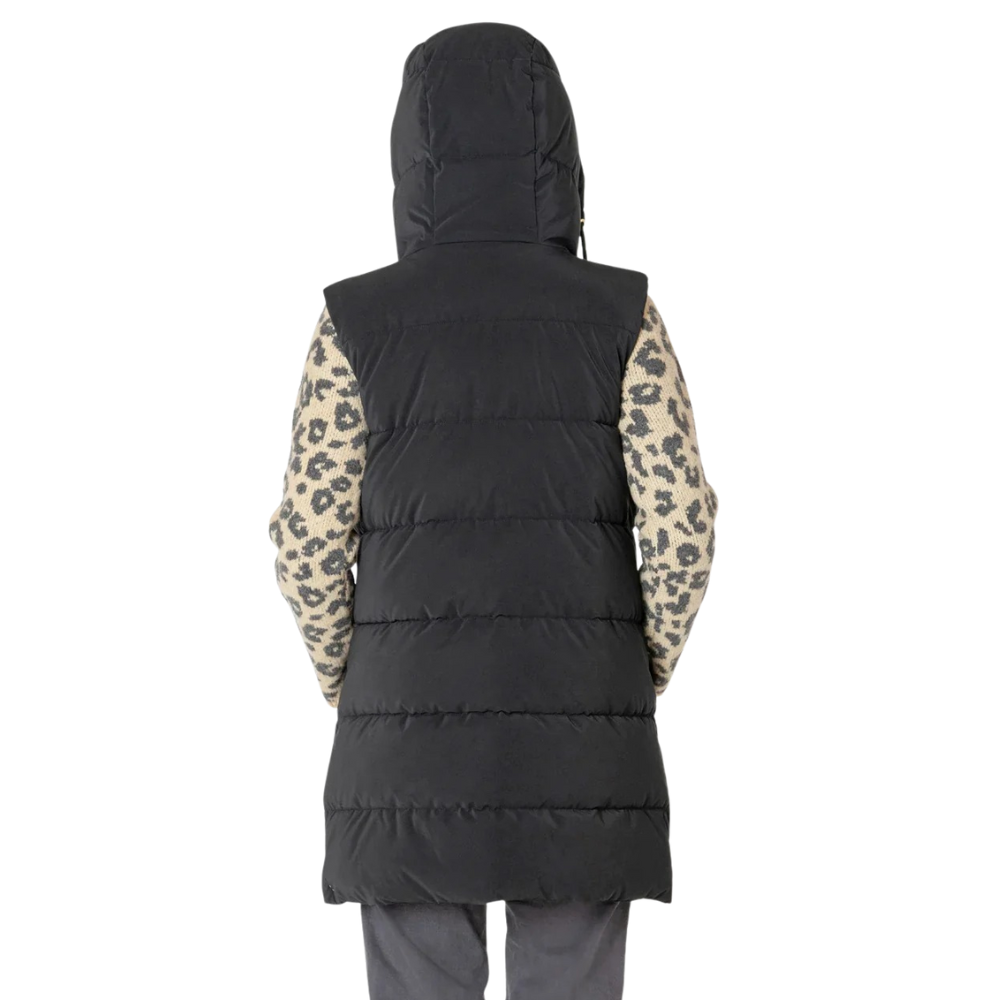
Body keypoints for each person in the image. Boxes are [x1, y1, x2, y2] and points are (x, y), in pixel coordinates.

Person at [269, 22, 718, 1000]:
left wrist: (354, 677)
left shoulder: (355, 323)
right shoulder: (623, 315)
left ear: (412, 161)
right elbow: (682, 519)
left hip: (405, 744)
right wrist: (634, 664)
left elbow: (306, 542)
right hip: (580, 741)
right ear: (558, 155)